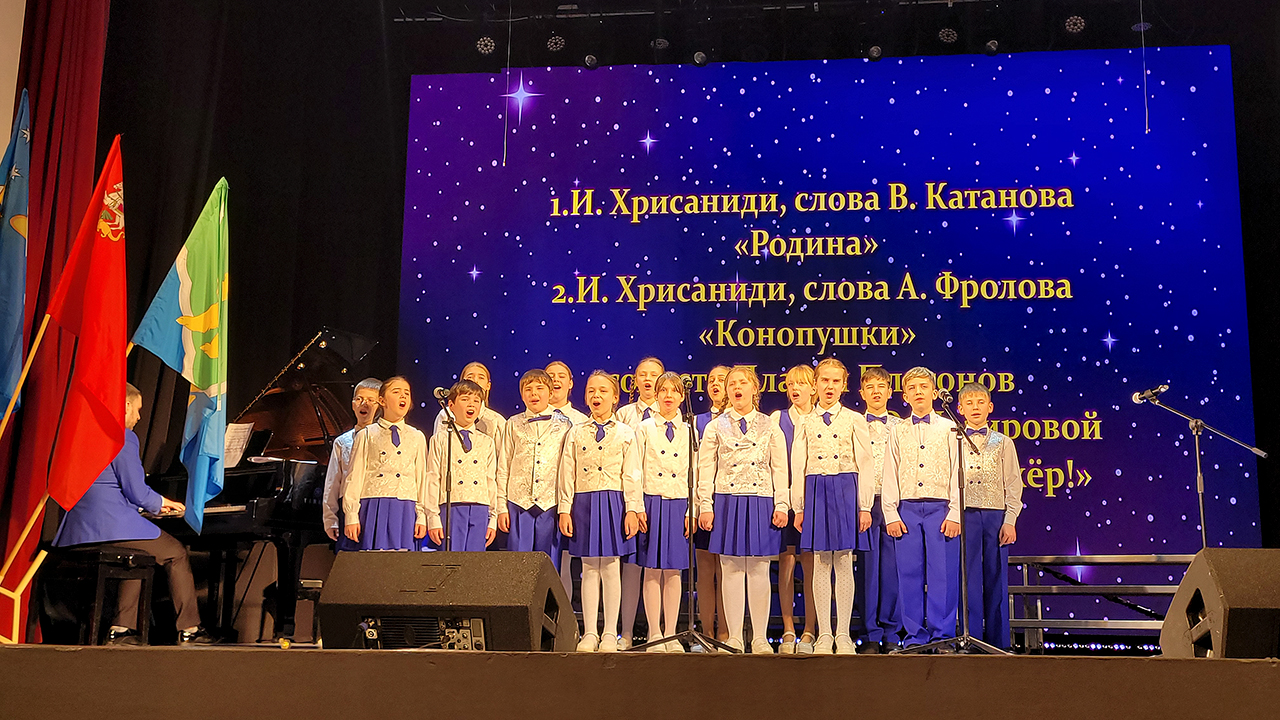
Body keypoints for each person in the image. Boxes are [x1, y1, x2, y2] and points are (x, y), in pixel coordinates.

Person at [52, 383, 213, 645]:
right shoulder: (123, 437)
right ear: (125, 406)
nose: (138, 417)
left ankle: (121, 629)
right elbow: (136, 491)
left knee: (138, 555)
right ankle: (190, 629)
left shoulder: (81, 434)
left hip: (76, 529)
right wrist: (160, 502)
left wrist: (143, 507)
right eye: (137, 409)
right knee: (176, 552)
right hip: (110, 525)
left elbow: (103, 486)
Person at [697, 365, 789, 654]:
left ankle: (760, 637)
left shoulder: (769, 425)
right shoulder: (715, 426)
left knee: (760, 569)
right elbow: (705, 468)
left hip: (761, 499)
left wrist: (782, 503)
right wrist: (705, 505)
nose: (736, 387)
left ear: (754, 388)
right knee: (731, 568)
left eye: (742, 382)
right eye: (732, 384)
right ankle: (735, 636)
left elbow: (780, 467)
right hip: (728, 499)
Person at [558, 370, 642, 652]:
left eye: (603, 391)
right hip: (584, 502)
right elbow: (567, 472)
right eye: (591, 391)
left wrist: (632, 509)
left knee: (610, 566)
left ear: (615, 397)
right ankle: (590, 632)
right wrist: (565, 508)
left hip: (613, 501)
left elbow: (632, 474)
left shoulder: (626, 433)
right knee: (588, 567)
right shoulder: (575, 431)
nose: (597, 395)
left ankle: (609, 632)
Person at [790, 358, 868, 655]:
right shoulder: (805, 421)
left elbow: (866, 463)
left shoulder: (854, 419)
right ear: (815, 384)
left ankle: (844, 634)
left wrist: (864, 506)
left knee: (844, 560)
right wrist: (799, 505)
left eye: (836, 381)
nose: (830, 386)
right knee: (821, 562)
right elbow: (798, 464)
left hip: (845, 488)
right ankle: (824, 633)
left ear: (844, 385)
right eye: (825, 380)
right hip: (816, 489)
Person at [882, 367, 961, 649]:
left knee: (943, 574)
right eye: (912, 388)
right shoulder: (897, 430)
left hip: (941, 508)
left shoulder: (950, 428)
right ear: (905, 396)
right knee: (909, 574)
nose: (918, 392)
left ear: (934, 392)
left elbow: (958, 471)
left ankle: (943, 635)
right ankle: (915, 636)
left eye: (923, 387)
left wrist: (956, 512)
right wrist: (890, 513)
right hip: (907, 508)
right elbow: (889, 472)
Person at [956, 382, 1022, 649]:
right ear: (960, 409)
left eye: (980, 402)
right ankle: (971, 638)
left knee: (996, 576)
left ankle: (999, 641)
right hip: (965, 515)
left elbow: (1014, 483)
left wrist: (1010, 520)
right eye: (969, 403)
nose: (975, 408)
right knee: (968, 577)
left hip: (996, 515)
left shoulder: (1003, 442)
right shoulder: (953, 440)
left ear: (990, 407)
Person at [634, 372, 694, 653]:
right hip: (652, 501)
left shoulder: (690, 430)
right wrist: (636, 506)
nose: (669, 395)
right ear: (656, 396)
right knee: (652, 569)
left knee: (673, 571)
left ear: (682, 397)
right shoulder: (645, 427)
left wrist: (693, 509)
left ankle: (671, 632)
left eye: (674, 391)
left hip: (679, 502)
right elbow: (635, 470)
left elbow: (696, 471)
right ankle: (654, 633)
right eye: (663, 391)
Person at [851, 366, 904, 653]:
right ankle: (870, 633)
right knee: (868, 570)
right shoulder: (853, 423)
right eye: (870, 387)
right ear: (862, 393)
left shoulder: (901, 426)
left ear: (889, 391)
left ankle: (892, 632)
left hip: (894, 503)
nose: (876, 392)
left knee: (893, 569)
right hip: (865, 504)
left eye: (881, 386)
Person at [343, 376, 428, 551]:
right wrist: (351, 515)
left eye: (407, 393)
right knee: (375, 558)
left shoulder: (417, 436)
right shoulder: (367, 434)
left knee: (402, 561)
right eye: (396, 392)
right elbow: (354, 477)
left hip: (406, 507)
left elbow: (421, 478)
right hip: (374, 504)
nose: (403, 396)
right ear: (382, 401)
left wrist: (422, 515)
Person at [498, 369, 572, 567]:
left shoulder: (565, 425)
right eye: (528, 389)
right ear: (522, 395)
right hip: (518, 503)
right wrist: (501, 507)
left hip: (550, 503)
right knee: (517, 563)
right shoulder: (512, 423)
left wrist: (565, 506)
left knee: (547, 563)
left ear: (550, 392)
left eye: (540, 388)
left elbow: (568, 468)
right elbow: (503, 466)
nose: (534, 393)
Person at [615, 356, 663, 649]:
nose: (647, 379)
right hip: (629, 498)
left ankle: (658, 631)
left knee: (658, 567)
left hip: (660, 496)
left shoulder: (670, 414)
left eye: (653, 374)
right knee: (631, 567)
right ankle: (626, 631)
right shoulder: (623, 414)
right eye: (642, 374)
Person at [770, 364, 818, 654]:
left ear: (813, 388)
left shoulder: (820, 418)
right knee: (786, 562)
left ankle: (810, 629)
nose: (795, 389)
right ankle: (788, 629)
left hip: (813, 501)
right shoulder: (778, 418)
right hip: (785, 501)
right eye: (790, 384)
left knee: (811, 563)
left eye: (801, 383)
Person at [425, 379, 498, 552]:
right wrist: (433, 517)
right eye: (465, 399)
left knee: (474, 560)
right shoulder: (440, 439)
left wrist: (493, 518)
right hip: (452, 506)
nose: (471, 404)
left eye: (476, 401)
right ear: (451, 405)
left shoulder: (487, 442)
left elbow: (490, 480)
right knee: (452, 558)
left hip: (480, 507)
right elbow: (433, 478)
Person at [692, 364, 730, 644]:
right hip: (705, 499)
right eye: (711, 380)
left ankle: (727, 632)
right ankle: (706, 633)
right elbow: (695, 466)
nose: (716, 384)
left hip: (731, 499)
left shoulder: (743, 420)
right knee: (705, 569)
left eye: (722, 380)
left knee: (727, 568)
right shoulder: (697, 422)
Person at [322, 377, 382, 552]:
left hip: (376, 506)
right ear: (353, 404)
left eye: (371, 400)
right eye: (359, 399)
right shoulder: (342, 442)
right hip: (348, 510)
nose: (364, 404)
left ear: (381, 405)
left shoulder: (386, 439)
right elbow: (333, 483)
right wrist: (330, 518)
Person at [432, 361, 506, 439]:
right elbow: (438, 442)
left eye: (481, 378)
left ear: (488, 385)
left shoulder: (497, 421)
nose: (475, 381)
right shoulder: (446, 414)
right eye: (470, 377)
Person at [545, 360, 589, 425]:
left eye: (561, 376)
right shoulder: (533, 418)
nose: (556, 379)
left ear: (570, 384)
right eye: (551, 376)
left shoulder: (583, 421)